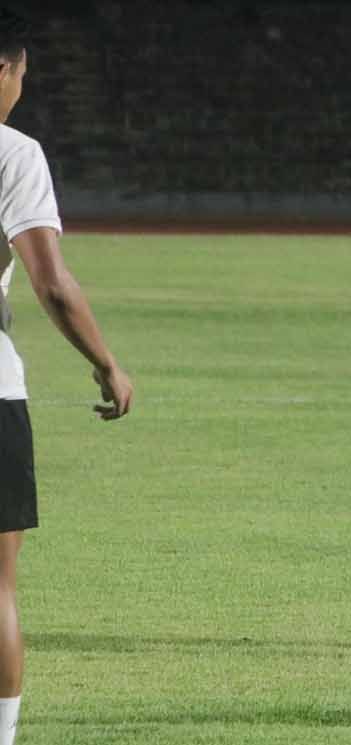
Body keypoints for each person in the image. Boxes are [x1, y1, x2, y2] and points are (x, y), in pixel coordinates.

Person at [0, 11, 134, 745]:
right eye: (21, 71)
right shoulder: (13, 153)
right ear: (3, 69)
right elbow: (49, 281)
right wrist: (105, 361)